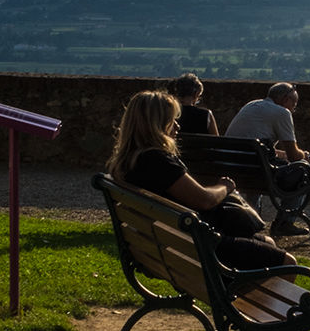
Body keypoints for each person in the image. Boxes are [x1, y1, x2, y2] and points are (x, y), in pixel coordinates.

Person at [109, 91, 295, 279]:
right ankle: (246, 308)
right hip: (199, 249)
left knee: (269, 243)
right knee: (288, 263)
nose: (177, 126)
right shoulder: (157, 161)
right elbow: (204, 200)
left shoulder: (127, 162)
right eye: (171, 120)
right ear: (156, 125)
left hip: (171, 246)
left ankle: (248, 306)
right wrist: (225, 187)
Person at [225, 81, 310, 236]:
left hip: (234, 168)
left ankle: (252, 219)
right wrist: (304, 156)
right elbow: (294, 156)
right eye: (294, 103)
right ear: (286, 99)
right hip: (259, 172)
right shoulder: (281, 112)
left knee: (260, 165)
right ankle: (285, 222)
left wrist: (282, 155)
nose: (294, 108)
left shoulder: (252, 105)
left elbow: (261, 149)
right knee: (302, 169)